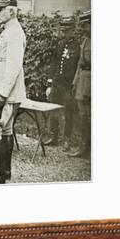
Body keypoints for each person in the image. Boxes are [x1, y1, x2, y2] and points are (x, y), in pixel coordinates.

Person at [0, 0, 27, 184]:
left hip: (6, 94)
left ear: (11, 12)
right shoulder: (10, 31)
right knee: (6, 130)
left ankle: (0, 174)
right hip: (7, 93)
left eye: (0, 10)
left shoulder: (15, 33)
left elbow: (13, 67)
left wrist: (2, 93)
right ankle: (4, 171)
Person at [44, 17, 80, 150]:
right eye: (63, 31)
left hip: (68, 85)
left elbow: (77, 66)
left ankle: (67, 140)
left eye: (67, 31)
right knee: (53, 109)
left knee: (68, 112)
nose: (64, 34)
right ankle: (53, 136)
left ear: (72, 31)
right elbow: (54, 63)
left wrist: (74, 84)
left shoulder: (77, 46)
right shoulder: (59, 44)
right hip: (56, 83)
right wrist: (50, 82)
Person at [67, 11, 91, 159]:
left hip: (90, 80)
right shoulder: (86, 40)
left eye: (86, 25)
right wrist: (75, 81)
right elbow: (79, 64)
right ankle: (84, 147)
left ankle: (88, 148)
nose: (83, 28)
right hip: (83, 80)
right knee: (83, 115)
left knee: (89, 115)